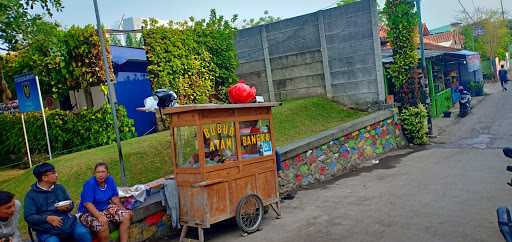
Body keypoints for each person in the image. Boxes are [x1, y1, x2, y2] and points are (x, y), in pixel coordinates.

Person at [24, 162, 92, 242]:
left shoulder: (60, 188)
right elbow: (29, 217)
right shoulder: (31, 195)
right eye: (53, 173)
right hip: (46, 230)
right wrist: (47, 218)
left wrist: (68, 207)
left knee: (83, 233)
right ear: (44, 178)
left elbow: (70, 203)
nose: (57, 175)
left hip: (67, 224)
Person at [78, 163, 132, 242]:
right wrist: (99, 216)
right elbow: (87, 204)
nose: (100, 175)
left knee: (126, 216)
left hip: (104, 208)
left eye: (103, 172)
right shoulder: (89, 184)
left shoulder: (110, 180)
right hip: (87, 213)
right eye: (98, 172)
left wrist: (123, 209)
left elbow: (114, 198)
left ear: (108, 173)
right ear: (94, 174)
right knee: (102, 224)